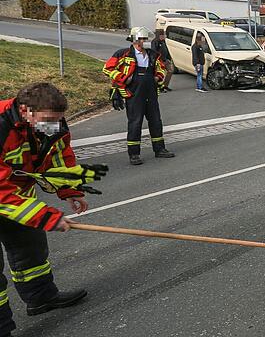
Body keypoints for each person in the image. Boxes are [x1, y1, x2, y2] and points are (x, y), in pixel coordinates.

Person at [0, 83, 89, 335]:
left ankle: (40, 298)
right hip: (4, 193)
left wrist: (69, 190)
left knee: (31, 252)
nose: (54, 126)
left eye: (58, 120)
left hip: (18, 197)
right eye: (48, 120)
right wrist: (46, 217)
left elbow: (60, 155)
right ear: (25, 111)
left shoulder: (52, 124)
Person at [103, 27, 175, 166]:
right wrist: (123, 78)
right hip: (134, 93)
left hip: (151, 92)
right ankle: (134, 154)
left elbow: (161, 68)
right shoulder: (122, 54)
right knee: (135, 123)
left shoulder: (152, 54)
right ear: (134, 40)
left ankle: (160, 149)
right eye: (141, 39)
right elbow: (107, 68)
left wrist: (158, 77)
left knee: (156, 121)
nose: (143, 42)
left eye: (144, 39)